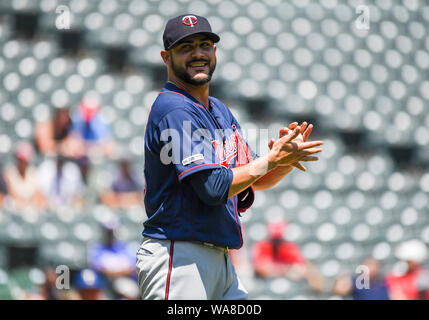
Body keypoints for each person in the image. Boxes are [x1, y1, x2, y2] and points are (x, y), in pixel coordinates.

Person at [136, 14, 323, 300]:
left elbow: (252, 178)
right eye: (186, 47)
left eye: (205, 44)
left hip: (220, 260)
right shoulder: (174, 108)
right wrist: (271, 160)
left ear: (215, 51)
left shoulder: (219, 110)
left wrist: (282, 161)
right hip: (180, 256)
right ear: (166, 57)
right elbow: (213, 187)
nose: (198, 53)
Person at [252, 221, 324, 291]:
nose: (276, 243)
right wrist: (284, 269)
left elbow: (300, 267)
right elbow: (262, 268)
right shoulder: (262, 246)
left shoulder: (288, 247)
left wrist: (282, 270)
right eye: (274, 240)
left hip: (290, 281)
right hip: (264, 282)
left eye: (278, 240)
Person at [4, 142, 46, 212]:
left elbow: (38, 193)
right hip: (16, 208)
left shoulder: (33, 173)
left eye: (24, 160)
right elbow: (11, 194)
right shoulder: (10, 172)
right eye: (20, 159)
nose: (22, 162)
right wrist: (24, 203)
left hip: (30, 207)